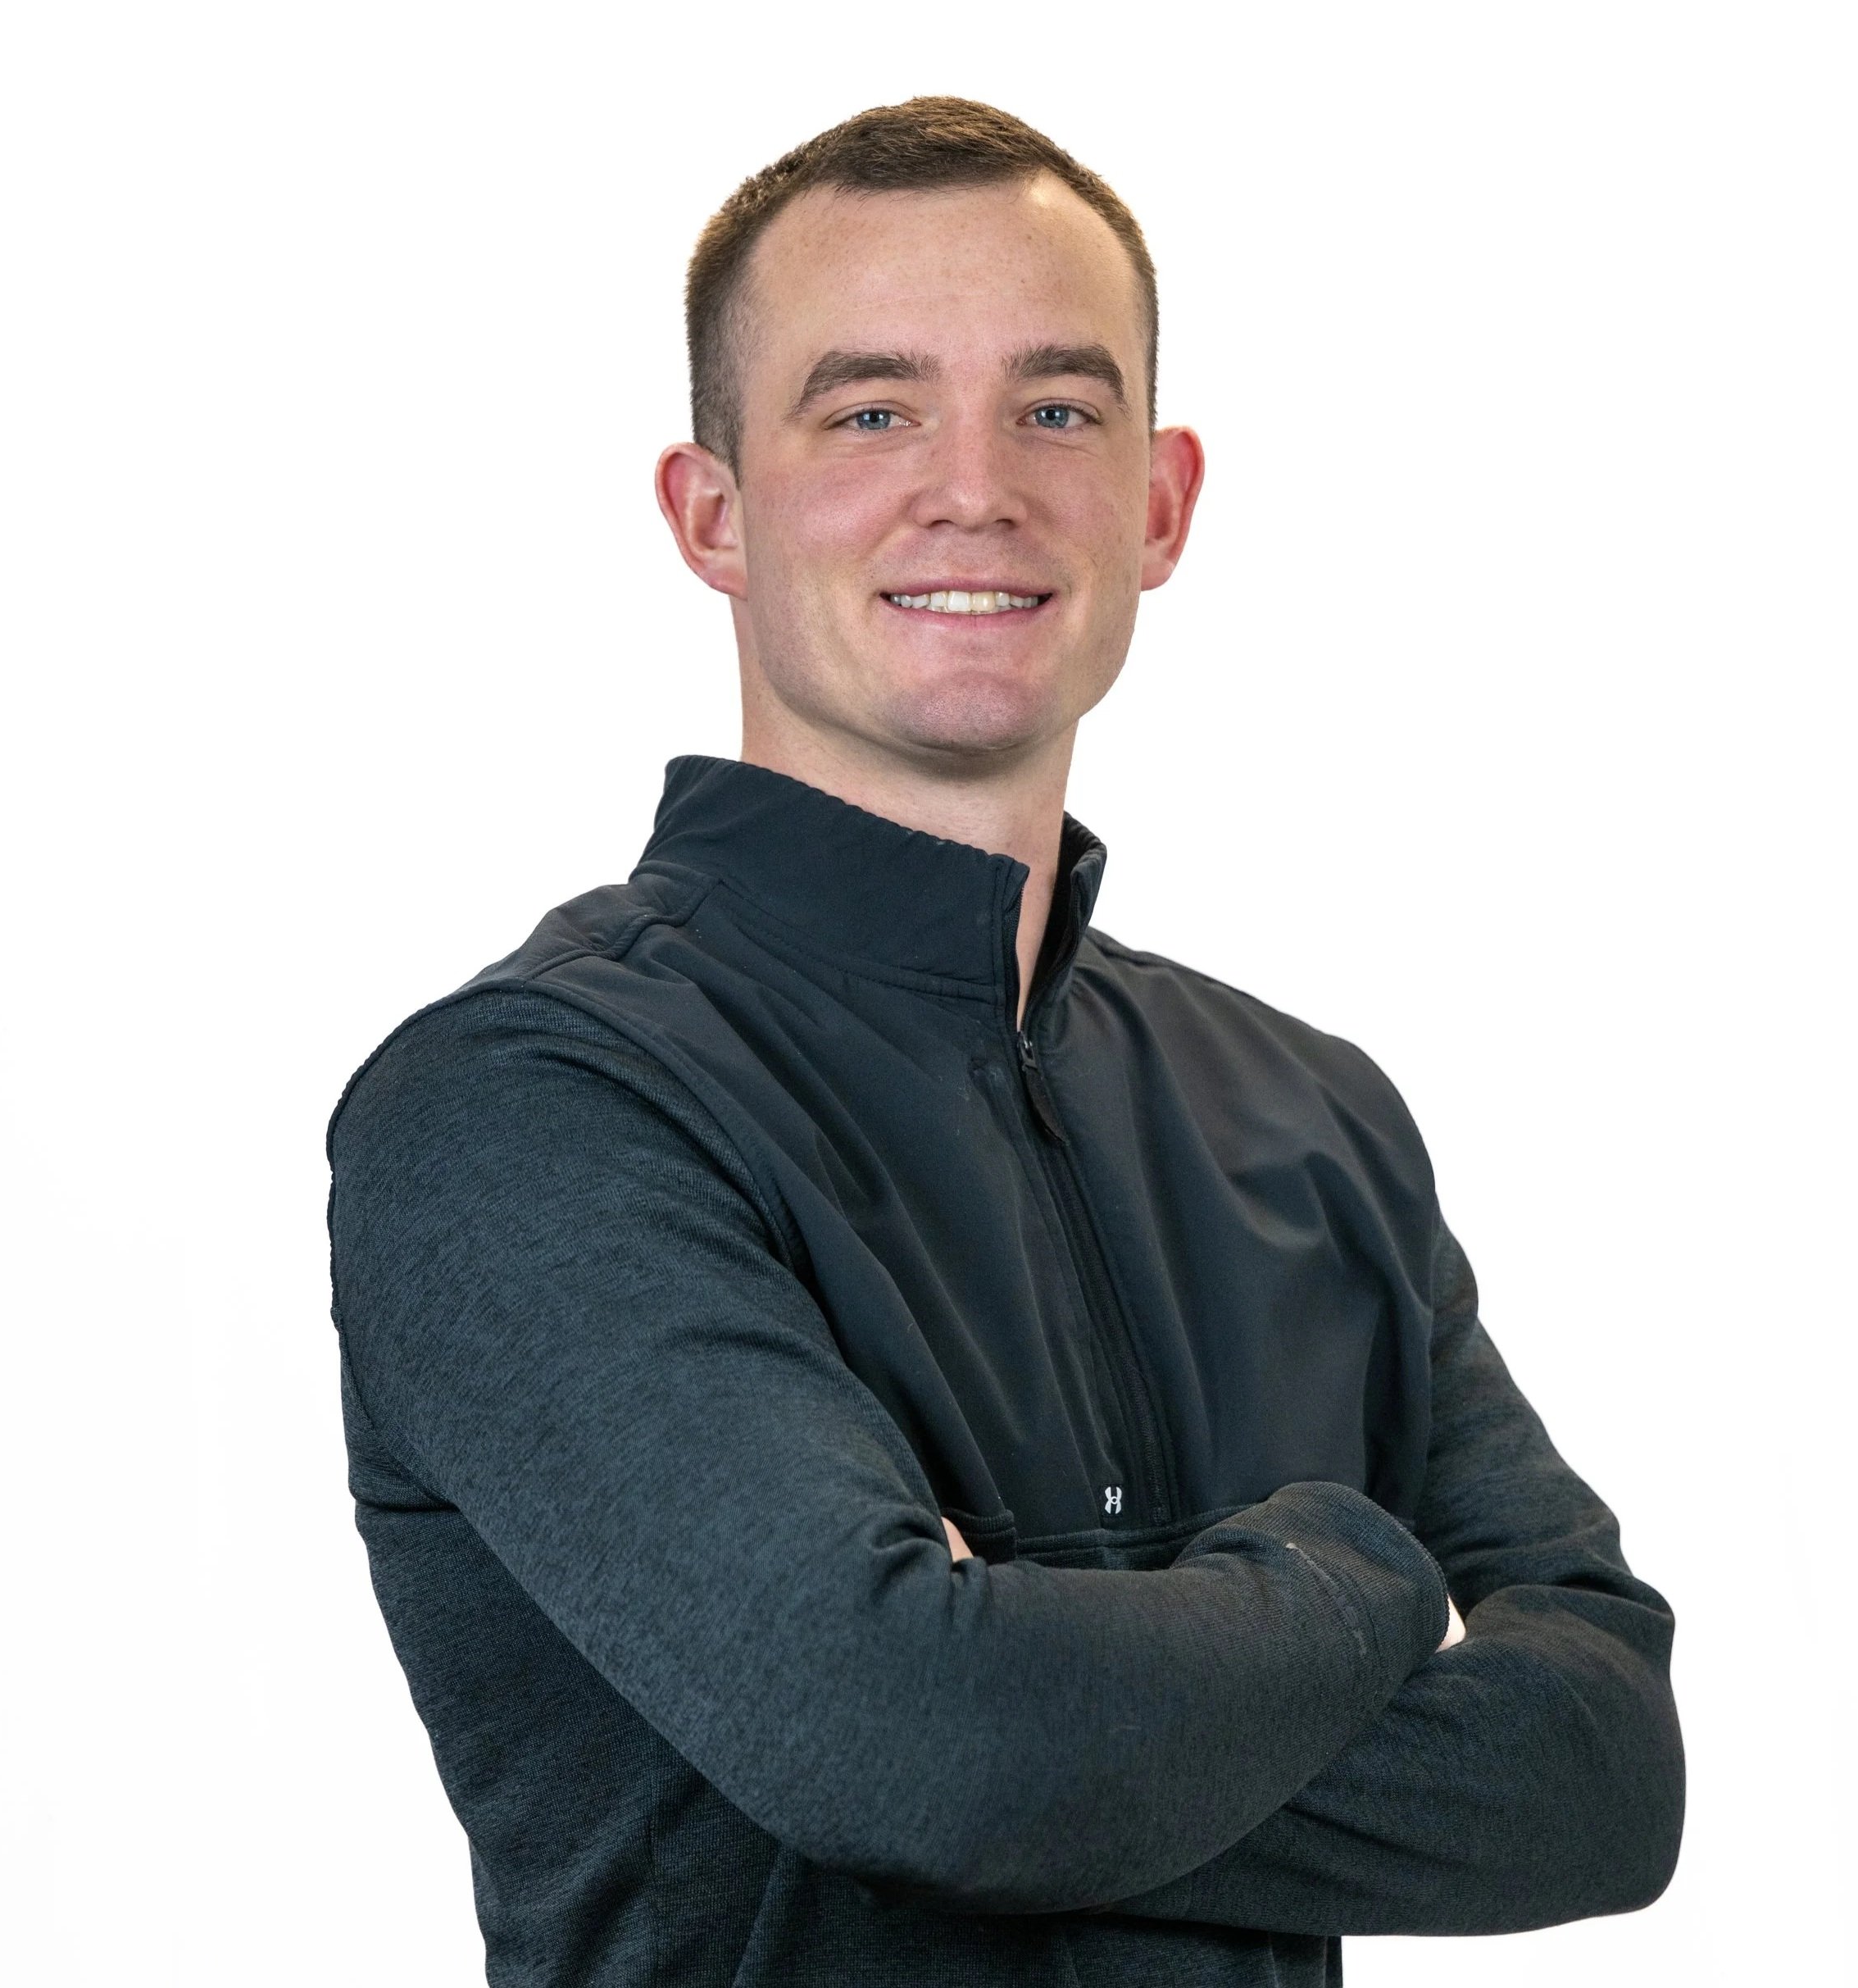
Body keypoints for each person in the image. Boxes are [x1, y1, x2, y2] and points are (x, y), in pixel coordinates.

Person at [326, 97, 1684, 1987]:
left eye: (1055, 407)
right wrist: (1357, 1574)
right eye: (869, 410)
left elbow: (1610, 1777)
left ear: (1160, 500)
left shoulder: (1308, 1117)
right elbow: (922, 1751)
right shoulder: (529, 1110)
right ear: (712, 513)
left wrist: (1033, 1701)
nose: (974, 488)